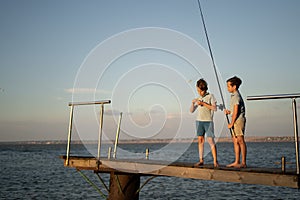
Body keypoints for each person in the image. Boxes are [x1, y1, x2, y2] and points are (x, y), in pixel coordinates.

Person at [190, 78, 219, 167]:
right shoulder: (198, 97)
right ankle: (201, 160)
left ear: (204, 89)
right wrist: (193, 103)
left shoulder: (211, 96)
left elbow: (214, 108)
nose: (199, 92)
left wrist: (203, 104)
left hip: (208, 121)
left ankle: (215, 161)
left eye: (200, 91)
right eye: (198, 90)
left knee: (210, 140)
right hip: (199, 121)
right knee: (200, 140)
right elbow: (191, 111)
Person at [224, 76, 247, 168]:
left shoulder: (236, 96)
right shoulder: (233, 96)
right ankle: (237, 161)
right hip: (235, 120)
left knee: (240, 140)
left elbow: (236, 111)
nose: (227, 88)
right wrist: (229, 112)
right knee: (235, 141)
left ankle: (243, 162)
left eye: (229, 86)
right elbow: (234, 111)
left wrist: (231, 123)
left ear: (234, 87)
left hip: (238, 121)